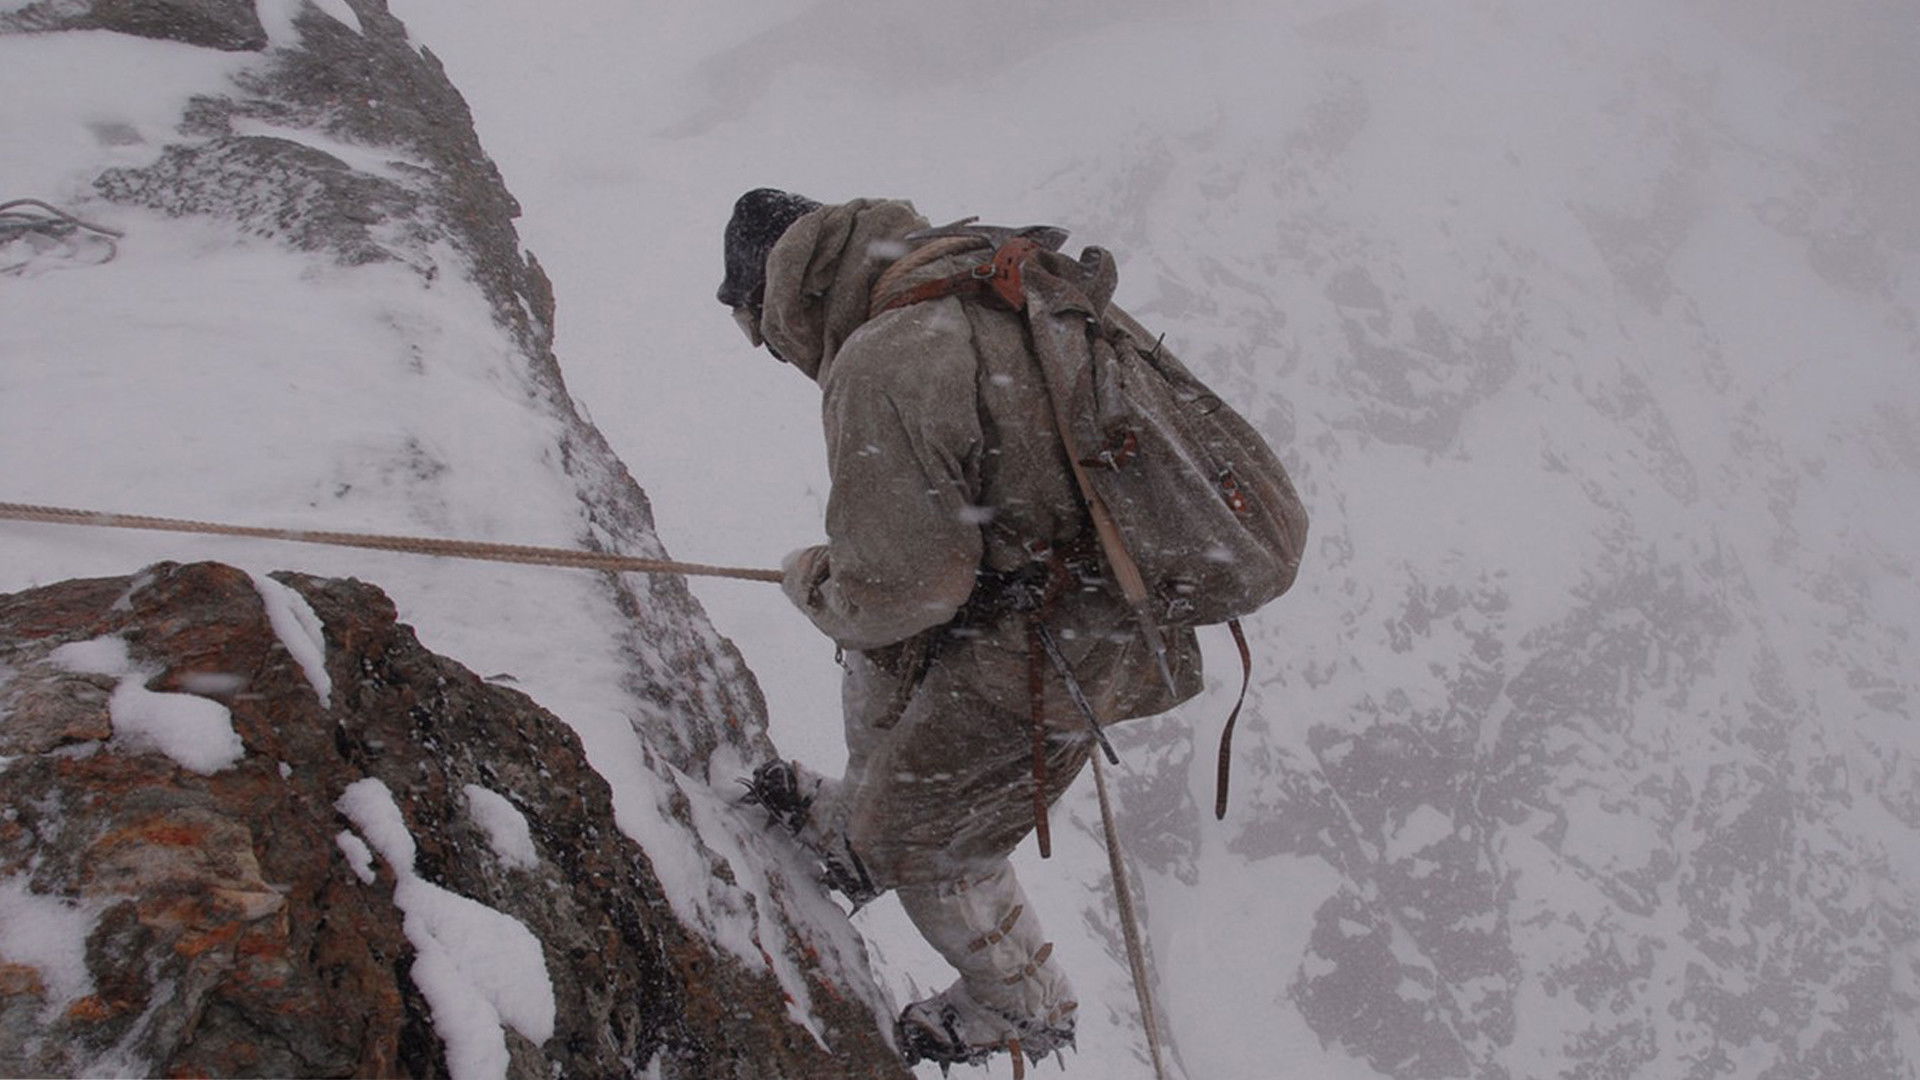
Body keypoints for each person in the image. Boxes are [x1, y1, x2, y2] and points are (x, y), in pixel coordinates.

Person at [718, 188, 1204, 1069]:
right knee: (885, 672)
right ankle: (853, 834)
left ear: (778, 301)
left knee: (936, 841)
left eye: (763, 336)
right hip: (1081, 606)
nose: (777, 356)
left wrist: (814, 583)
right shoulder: (962, 277)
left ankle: (1022, 1007)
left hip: (1050, 644)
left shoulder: (883, 358)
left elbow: (900, 591)